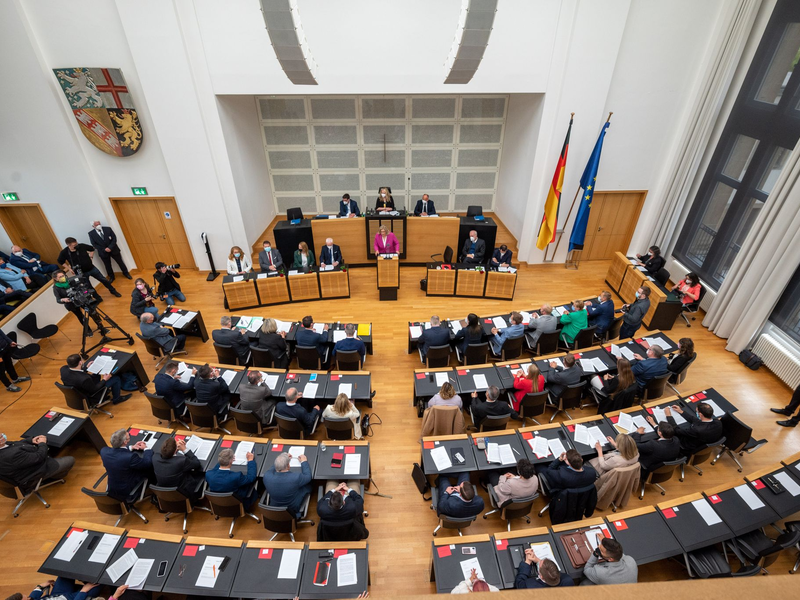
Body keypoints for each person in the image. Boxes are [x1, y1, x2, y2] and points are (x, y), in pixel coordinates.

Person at [0, 432, 74, 490]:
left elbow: (16, 444)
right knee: (70, 460)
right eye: (1, 436)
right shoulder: (11, 455)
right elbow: (39, 457)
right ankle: (51, 477)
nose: (3, 436)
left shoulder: (3, 445)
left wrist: (31, 440)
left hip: (24, 465)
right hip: (32, 475)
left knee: (48, 449)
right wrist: (42, 443)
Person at [99, 429, 154, 500]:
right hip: (128, 490)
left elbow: (117, 452)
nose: (130, 437)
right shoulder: (130, 457)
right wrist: (147, 449)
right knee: (151, 469)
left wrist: (131, 447)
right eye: (129, 437)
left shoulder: (104, 451)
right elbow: (147, 463)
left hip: (113, 488)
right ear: (125, 442)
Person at [57, 237, 121, 297]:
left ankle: (113, 291)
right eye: (74, 245)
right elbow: (60, 261)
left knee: (103, 280)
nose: (76, 245)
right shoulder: (64, 252)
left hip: (91, 268)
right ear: (69, 245)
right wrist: (69, 269)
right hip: (81, 273)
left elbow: (92, 249)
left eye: (76, 243)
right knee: (88, 286)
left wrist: (91, 257)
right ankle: (97, 298)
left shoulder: (82, 246)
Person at [60, 353, 130, 405]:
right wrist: (104, 379)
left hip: (80, 391)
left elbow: (75, 374)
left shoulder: (63, 369)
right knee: (116, 378)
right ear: (80, 362)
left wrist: (86, 368)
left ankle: (108, 395)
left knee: (96, 374)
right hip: (92, 395)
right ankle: (116, 399)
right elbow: (95, 389)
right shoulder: (84, 379)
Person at [152, 436, 204, 503]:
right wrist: (184, 449)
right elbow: (196, 463)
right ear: (175, 450)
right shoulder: (181, 461)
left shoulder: (155, 457)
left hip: (165, 493)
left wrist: (173, 449)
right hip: (183, 492)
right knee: (201, 474)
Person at [263, 451, 312, 517]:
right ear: (288, 466)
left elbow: (272, 469)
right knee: (308, 485)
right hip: (292, 509)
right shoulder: (295, 478)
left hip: (275, 509)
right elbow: (308, 476)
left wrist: (281, 459)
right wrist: (304, 461)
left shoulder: (267, 476)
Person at [21, 578, 114, 600]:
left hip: (57, 595)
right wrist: (83, 591)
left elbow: (32, 598)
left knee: (64, 573)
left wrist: (39, 587)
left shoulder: (29, 599)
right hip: (75, 598)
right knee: (97, 582)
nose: (29, 597)